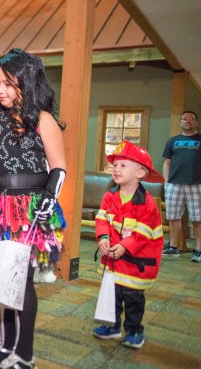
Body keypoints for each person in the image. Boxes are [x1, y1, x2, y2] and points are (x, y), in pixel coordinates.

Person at [0, 49, 67, 369]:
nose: (0, 90)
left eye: (9, 84)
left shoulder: (43, 119)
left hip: (28, 209)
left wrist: (49, 198)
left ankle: (24, 354)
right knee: (0, 277)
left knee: (20, 281)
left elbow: (59, 167)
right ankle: (5, 346)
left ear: (27, 83)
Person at [93, 140, 164, 349]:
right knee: (112, 295)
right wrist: (103, 238)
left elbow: (143, 233)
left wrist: (124, 246)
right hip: (114, 261)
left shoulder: (147, 203)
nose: (116, 169)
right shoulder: (110, 196)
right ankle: (112, 327)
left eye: (123, 165)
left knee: (133, 298)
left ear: (140, 173)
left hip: (136, 263)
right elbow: (102, 220)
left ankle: (134, 331)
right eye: (115, 165)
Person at [161, 110, 201, 262]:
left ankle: (199, 250)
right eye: (184, 119)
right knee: (173, 217)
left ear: (196, 122)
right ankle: (173, 247)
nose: (188, 121)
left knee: (198, 218)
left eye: (191, 118)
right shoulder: (173, 141)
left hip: (196, 184)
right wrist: (166, 182)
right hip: (174, 184)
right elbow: (167, 163)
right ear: (180, 122)